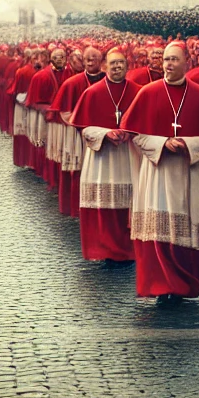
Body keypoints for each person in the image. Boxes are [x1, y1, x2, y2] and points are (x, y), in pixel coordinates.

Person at [120, 40, 199, 306]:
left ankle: (184, 283)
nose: (168, 64)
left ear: (187, 63)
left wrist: (188, 145)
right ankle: (160, 284)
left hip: (189, 172)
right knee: (158, 228)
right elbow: (136, 135)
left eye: (174, 60)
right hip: (158, 171)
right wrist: (163, 144)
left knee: (187, 225)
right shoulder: (147, 93)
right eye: (166, 59)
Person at [69, 47, 141, 264]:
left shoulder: (139, 92)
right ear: (104, 67)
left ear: (127, 67)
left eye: (121, 63)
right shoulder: (91, 93)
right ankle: (105, 247)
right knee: (104, 202)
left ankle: (130, 247)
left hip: (130, 154)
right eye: (113, 63)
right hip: (103, 157)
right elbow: (83, 128)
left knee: (130, 200)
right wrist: (105, 133)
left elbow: (149, 124)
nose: (117, 67)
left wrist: (129, 133)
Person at [51, 45, 105, 218]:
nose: (89, 62)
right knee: (77, 170)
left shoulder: (108, 80)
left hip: (102, 134)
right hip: (77, 134)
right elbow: (64, 112)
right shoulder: (72, 83)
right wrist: (81, 126)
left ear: (101, 61)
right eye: (86, 59)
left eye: (93, 59)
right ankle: (75, 208)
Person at [27, 46, 72, 189]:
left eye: (62, 57)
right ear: (51, 59)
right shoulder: (41, 76)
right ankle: (50, 177)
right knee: (50, 147)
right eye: (56, 57)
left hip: (65, 117)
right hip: (48, 117)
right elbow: (35, 101)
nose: (60, 59)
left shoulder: (71, 74)